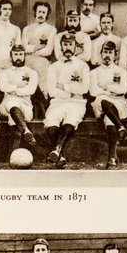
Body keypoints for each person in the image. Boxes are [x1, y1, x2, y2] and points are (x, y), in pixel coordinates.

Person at [45, 33, 90, 167]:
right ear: (61, 47)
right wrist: (70, 93)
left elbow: (84, 89)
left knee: (70, 121)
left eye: (71, 44)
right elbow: (52, 91)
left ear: (76, 47)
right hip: (57, 102)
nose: (68, 47)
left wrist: (64, 87)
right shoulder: (54, 67)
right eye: (65, 44)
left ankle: (57, 150)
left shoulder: (82, 66)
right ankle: (61, 155)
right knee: (51, 122)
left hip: (77, 103)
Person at [89, 40, 127, 168]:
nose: (107, 55)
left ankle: (112, 157)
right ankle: (121, 127)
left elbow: (124, 89)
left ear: (115, 55)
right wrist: (112, 89)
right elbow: (93, 91)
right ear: (101, 54)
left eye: (110, 52)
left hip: (119, 103)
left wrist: (105, 87)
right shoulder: (94, 72)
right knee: (103, 101)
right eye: (105, 52)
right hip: (100, 105)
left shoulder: (121, 71)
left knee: (109, 119)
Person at [0, 45, 38, 149]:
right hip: (7, 102)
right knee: (12, 104)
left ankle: (13, 155)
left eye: (21, 54)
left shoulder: (32, 73)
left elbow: (31, 90)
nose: (18, 57)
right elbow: (3, 87)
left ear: (25, 56)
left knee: (15, 119)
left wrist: (13, 89)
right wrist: (21, 88)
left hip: (26, 104)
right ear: (11, 56)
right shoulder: (4, 72)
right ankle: (26, 130)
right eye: (15, 54)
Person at [21, 1, 57, 110]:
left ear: (47, 14)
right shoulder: (27, 29)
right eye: (39, 11)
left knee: (43, 87)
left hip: (42, 61)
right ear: (35, 12)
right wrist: (36, 48)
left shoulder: (51, 29)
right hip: (28, 61)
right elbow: (23, 47)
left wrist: (31, 49)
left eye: (44, 12)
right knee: (27, 83)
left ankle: (43, 109)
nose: (41, 14)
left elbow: (48, 50)